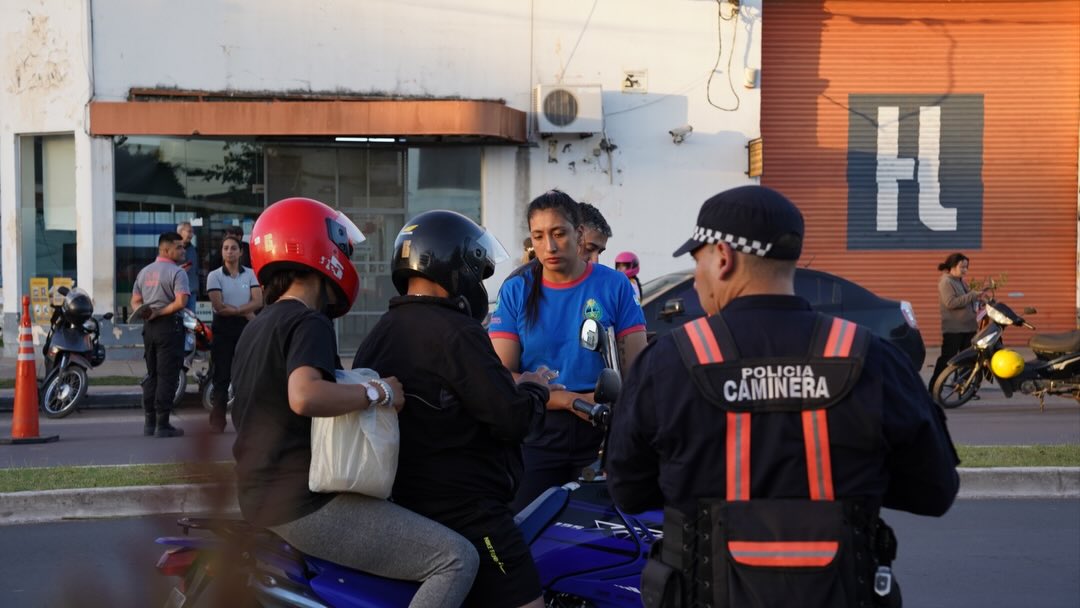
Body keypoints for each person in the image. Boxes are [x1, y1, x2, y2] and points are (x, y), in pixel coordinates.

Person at [606, 185, 959, 608]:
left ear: (723, 257)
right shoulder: (871, 357)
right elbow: (934, 490)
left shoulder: (668, 362)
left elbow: (628, 490)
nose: (697, 278)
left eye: (697, 262)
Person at [230, 197, 479, 608]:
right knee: (456, 558)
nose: (347, 261)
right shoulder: (308, 321)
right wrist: (379, 393)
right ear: (319, 249)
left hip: (261, 496)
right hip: (303, 504)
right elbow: (304, 395)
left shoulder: (259, 326)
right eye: (344, 250)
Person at [353, 210, 559, 608]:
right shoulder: (457, 333)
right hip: (469, 513)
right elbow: (511, 417)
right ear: (453, 266)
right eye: (476, 271)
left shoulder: (379, 334)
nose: (478, 282)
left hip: (406, 506)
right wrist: (536, 389)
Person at [489, 190, 647, 512]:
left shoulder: (615, 285)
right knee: (526, 526)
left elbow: (637, 368)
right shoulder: (517, 289)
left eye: (559, 233)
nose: (549, 246)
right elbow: (502, 375)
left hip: (601, 430)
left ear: (579, 233)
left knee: (601, 530)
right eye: (538, 236)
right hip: (537, 431)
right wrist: (567, 399)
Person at [130, 232, 191, 438]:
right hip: (169, 327)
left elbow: (135, 301)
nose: (183, 250)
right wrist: (160, 312)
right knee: (168, 376)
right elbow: (181, 302)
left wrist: (145, 312)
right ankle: (162, 424)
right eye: (179, 247)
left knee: (152, 374)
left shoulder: (144, 272)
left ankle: (149, 423)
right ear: (165, 249)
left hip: (149, 328)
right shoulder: (178, 272)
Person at [205, 234, 263, 432]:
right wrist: (244, 310)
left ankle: (246, 421)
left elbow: (258, 301)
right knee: (221, 376)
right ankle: (218, 421)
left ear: (241, 252)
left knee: (247, 375)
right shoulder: (214, 276)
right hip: (223, 329)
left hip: (246, 329)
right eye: (226, 248)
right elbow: (219, 306)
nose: (229, 252)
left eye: (233, 248)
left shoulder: (251, 274)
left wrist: (237, 310)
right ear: (222, 252)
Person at [929, 252, 990, 391]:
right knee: (947, 359)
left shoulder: (960, 281)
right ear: (952, 266)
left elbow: (967, 300)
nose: (965, 270)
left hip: (968, 327)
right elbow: (951, 303)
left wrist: (979, 301)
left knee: (968, 360)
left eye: (966, 267)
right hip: (954, 329)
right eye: (962, 267)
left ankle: (964, 388)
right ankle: (934, 388)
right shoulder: (946, 282)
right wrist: (972, 295)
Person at [177, 221, 199, 312]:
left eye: (192, 232)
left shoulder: (193, 249)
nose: (192, 235)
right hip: (177, 292)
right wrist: (179, 270)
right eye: (189, 231)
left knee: (191, 318)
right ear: (180, 232)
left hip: (191, 291)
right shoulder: (172, 248)